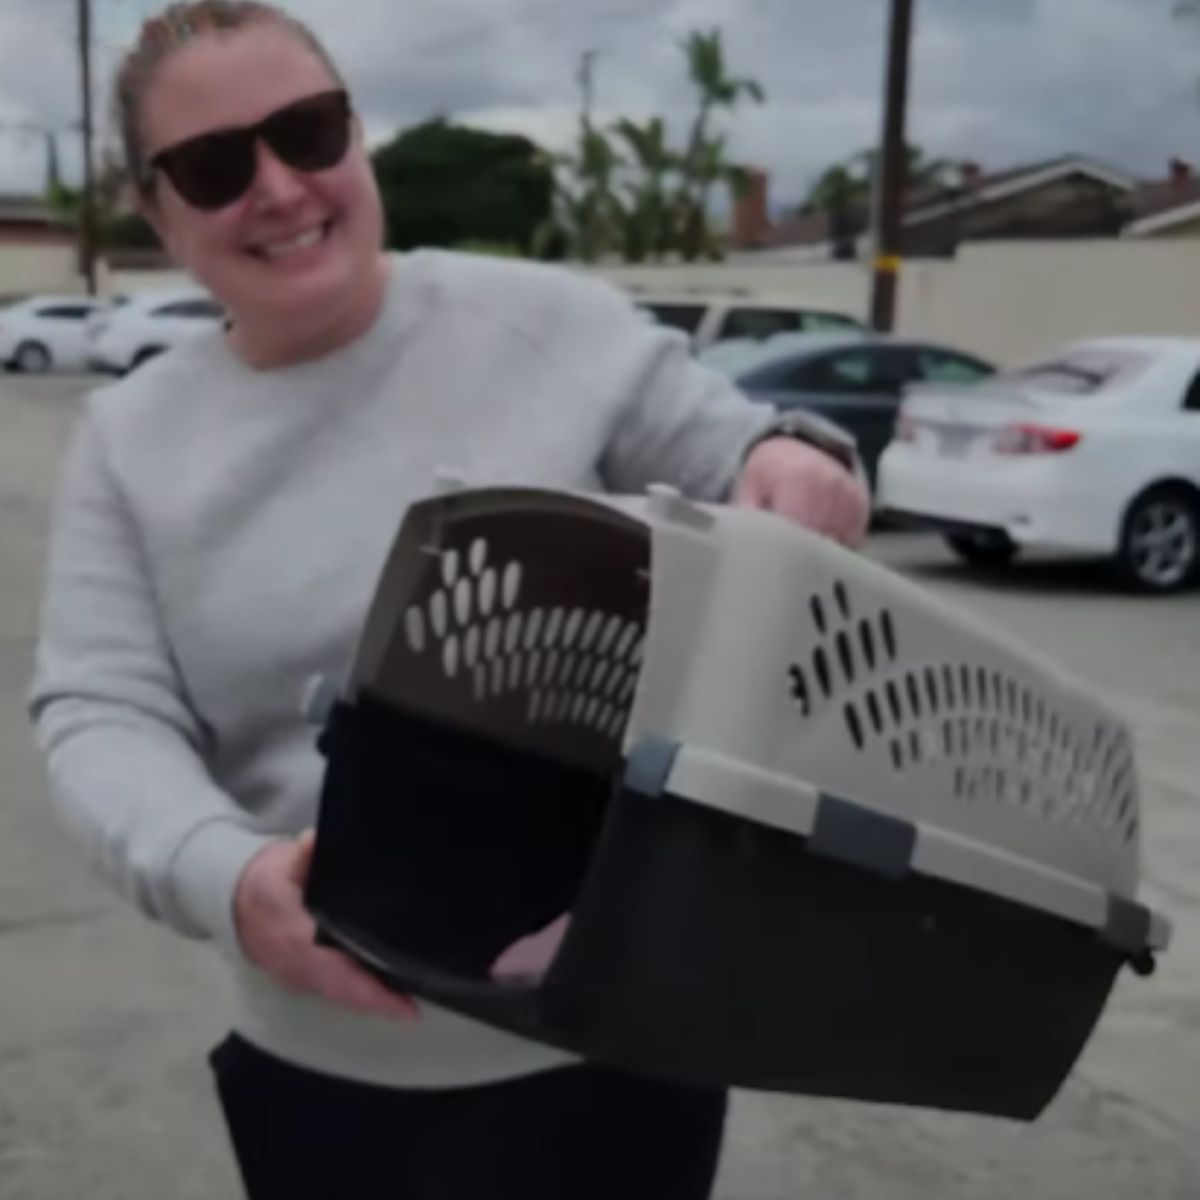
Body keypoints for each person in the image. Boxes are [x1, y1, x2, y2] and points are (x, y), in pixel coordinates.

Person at [27, 3, 870, 1197]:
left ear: (358, 139)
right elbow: (100, 710)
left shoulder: (548, 323)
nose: (278, 188)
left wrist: (797, 457)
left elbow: (755, 450)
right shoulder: (130, 437)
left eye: (308, 132)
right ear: (156, 211)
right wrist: (222, 872)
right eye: (215, 167)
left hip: (621, 1051)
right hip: (323, 1080)